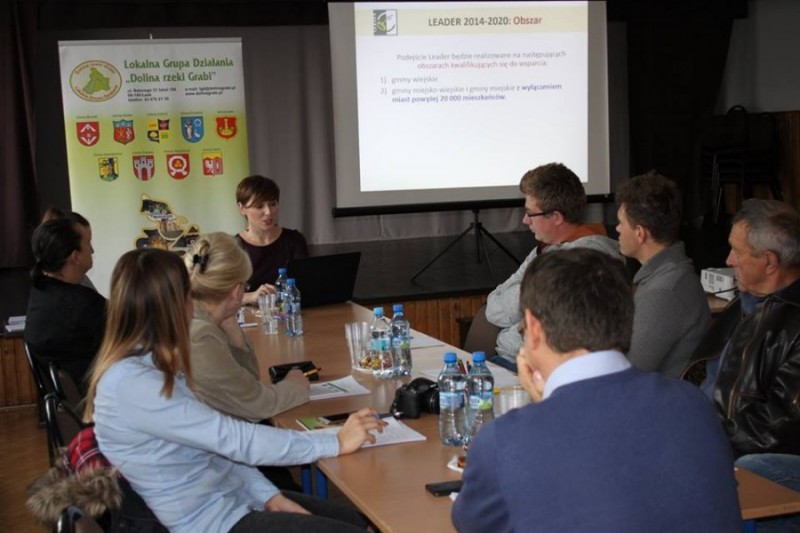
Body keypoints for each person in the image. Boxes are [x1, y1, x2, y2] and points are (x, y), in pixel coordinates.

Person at [84, 248, 384, 533]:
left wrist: (267, 495)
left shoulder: (152, 363)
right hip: (209, 523)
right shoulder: (132, 384)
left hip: (230, 499)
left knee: (354, 521)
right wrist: (335, 441)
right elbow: (233, 439)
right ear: (173, 305)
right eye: (188, 296)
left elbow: (216, 448)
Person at [452, 249, 742, 532]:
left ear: (534, 329)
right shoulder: (693, 405)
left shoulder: (505, 441)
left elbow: (470, 523)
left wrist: (542, 408)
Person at [685, 198, 800, 531]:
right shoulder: (742, 304)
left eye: (737, 251)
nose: (728, 260)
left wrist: (703, 439)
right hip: (709, 435)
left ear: (769, 262)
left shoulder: (793, 322)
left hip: (743, 451)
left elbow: (776, 429)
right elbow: (701, 377)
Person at [185, 232, 309, 490]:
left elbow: (246, 384)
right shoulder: (199, 336)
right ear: (236, 291)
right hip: (208, 471)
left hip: (215, 450)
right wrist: (297, 385)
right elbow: (256, 405)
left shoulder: (201, 319)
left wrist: (233, 330)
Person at [485, 162, 621, 369]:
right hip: (511, 360)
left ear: (556, 217)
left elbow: (505, 312)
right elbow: (495, 307)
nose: (525, 220)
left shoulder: (581, 260)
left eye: (530, 213)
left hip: (533, 369)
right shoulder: (543, 249)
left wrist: (513, 313)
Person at [615, 172, 710, 378]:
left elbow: (626, 373)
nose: (617, 229)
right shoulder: (674, 274)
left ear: (640, 233)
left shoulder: (664, 292)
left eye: (621, 223)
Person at [25, 214, 105, 395]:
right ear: (75, 257)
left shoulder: (40, 294)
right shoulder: (84, 304)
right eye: (88, 243)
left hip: (70, 401)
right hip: (95, 399)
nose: (92, 250)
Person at [235, 175, 309, 305]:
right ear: (242, 208)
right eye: (259, 206)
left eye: (272, 204)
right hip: (251, 315)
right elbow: (221, 297)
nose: (268, 212)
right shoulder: (234, 247)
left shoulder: (294, 240)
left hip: (289, 312)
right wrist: (251, 297)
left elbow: (307, 285)